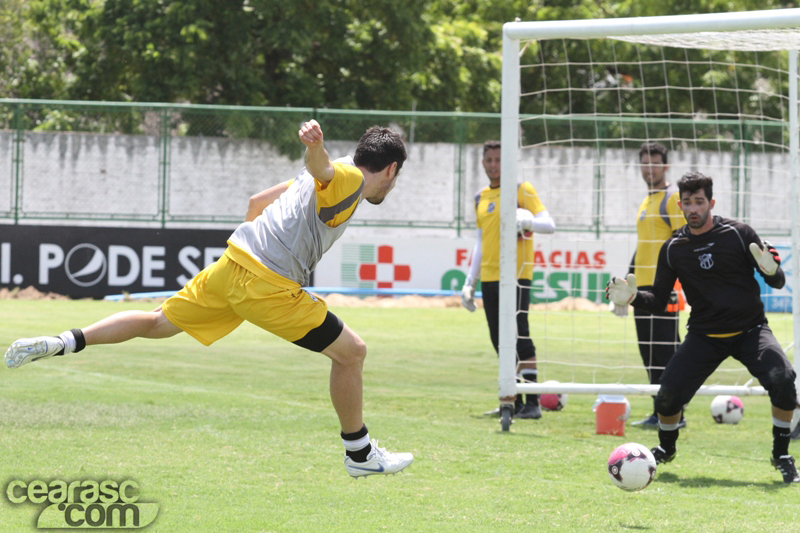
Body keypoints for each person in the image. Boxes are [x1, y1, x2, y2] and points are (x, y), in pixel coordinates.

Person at [4, 119, 414, 479]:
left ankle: (62, 342)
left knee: (157, 322)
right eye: (396, 180)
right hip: (268, 284)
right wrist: (313, 146)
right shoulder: (350, 178)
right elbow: (324, 167)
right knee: (352, 353)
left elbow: (257, 202)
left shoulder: (316, 180)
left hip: (231, 265)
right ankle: (359, 453)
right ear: (391, 170)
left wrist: (256, 256)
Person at [606, 171, 799, 484]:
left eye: (699, 201)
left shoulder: (739, 233)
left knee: (783, 378)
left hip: (751, 330)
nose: (693, 208)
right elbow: (656, 300)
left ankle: (782, 455)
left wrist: (773, 272)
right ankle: (666, 449)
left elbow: (777, 282)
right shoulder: (673, 248)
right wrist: (632, 297)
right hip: (704, 336)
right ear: (680, 205)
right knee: (667, 396)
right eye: (687, 202)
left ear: (711, 202)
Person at [461, 140, 556, 419]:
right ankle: (511, 400)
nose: (493, 165)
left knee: (520, 336)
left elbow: (549, 224)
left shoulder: (520, 190)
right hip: (490, 276)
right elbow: (480, 241)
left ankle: (533, 403)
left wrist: (527, 222)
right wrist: (470, 281)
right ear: (482, 162)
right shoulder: (480, 197)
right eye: (489, 160)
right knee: (499, 340)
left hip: (516, 274)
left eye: (499, 160)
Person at [613, 142, 686, 429]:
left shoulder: (672, 198)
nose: (649, 168)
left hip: (665, 289)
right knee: (649, 353)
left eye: (655, 163)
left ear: (665, 166)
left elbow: (682, 242)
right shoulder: (646, 202)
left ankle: (675, 414)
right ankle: (660, 411)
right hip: (641, 290)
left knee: (667, 353)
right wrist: (625, 290)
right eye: (645, 163)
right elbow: (643, 248)